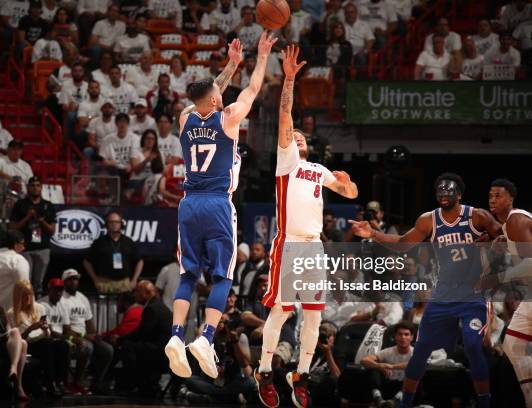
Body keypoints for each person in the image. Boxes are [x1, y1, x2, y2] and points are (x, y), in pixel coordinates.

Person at [254, 45, 358, 408]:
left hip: (315, 246)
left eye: (300, 138)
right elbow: (285, 116)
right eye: (292, 137)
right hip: (289, 244)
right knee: (281, 311)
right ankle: (264, 370)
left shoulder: (317, 170)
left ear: (308, 146)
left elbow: (350, 190)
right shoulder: (287, 163)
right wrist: (290, 79)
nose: (296, 138)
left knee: (314, 317)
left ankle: (299, 375)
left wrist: (346, 184)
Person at [164, 34, 271, 379]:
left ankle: (177, 335)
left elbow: (209, 93)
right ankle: (206, 339)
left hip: (188, 204)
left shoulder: (185, 118)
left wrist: (231, 65)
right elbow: (252, 90)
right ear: (215, 98)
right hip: (218, 205)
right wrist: (263, 57)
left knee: (187, 275)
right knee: (223, 277)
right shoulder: (229, 117)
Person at [349, 172, 503, 408]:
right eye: (440, 191)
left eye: (449, 191)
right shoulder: (428, 220)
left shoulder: (477, 216)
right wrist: (372, 233)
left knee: (472, 345)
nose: (443, 194)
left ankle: (485, 402)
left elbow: (505, 239)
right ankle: (405, 403)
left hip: (473, 294)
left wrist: (488, 248)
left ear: (459, 195)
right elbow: (402, 244)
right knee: (421, 350)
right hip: (442, 295)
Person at [483, 178, 532, 407]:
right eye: (491, 195)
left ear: (511, 199)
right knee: (512, 346)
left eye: (498, 195)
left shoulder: (516, 219)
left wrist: (499, 278)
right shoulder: (506, 228)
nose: (493, 199)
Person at [7, 280, 69, 398]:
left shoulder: (39, 308)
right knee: (46, 345)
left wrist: (46, 329)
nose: (28, 297)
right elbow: (18, 339)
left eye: (30, 293)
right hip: (27, 344)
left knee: (62, 344)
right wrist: (30, 328)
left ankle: (60, 382)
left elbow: (48, 333)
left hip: (43, 341)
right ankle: (50, 383)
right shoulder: (12, 313)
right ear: (18, 296)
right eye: (24, 294)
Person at [60, 268, 114, 395]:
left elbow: (89, 322)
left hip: (85, 335)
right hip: (70, 336)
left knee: (107, 350)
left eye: (76, 279)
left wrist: (95, 335)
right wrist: (85, 336)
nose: (74, 282)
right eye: (70, 280)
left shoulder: (82, 298)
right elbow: (65, 328)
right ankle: (76, 383)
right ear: (64, 282)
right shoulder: (62, 298)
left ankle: (96, 383)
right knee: (87, 347)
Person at [114, 281, 172, 394]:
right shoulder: (160, 306)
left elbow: (142, 332)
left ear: (146, 293)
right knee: (135, 345)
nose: (134, 295)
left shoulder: (151, 308)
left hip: (159, 352)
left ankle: (133, 384)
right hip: (165, 349)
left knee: (128, 346)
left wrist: (120, 339)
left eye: (137, 291)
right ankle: (144, 383)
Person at [9, 177, 56, 295]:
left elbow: (52, 231)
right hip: (25, 248)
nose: (35, 188)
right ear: (28, 187)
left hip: (43, 248)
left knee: (38, 283)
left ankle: (37, 310)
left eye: (37, 185)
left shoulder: (48, 205)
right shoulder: (20, 204)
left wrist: (41, 222)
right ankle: (24, 308)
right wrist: (27, 217)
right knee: (25, 282)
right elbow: (12, 228)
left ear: (41, 188)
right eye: (32, 185)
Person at [83, 211, 143, 292]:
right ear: (106, 224)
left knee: (125, 304)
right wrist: (95, 279)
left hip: (124, 283)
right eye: (111, 222)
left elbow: (140, 261)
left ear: (121, 224)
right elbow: (87, 262)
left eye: (117, 222)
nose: (114, 224)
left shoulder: (128, 242)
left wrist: (134, 280)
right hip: (105, 283)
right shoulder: (99, 242)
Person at [361, 321, 415, 407]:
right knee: (373, 368)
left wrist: (392, 366)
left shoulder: (415, 353)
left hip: (406, 388)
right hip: (388, 386)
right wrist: (379, 366)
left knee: (417, 372)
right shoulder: (388, 351)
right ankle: (378, 398)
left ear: (411, 337)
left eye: (406, 334)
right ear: (395, 337)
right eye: (400, 334)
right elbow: (364, 360)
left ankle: (397, 399)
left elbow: (415, 364)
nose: (403, 337)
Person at [0, 230, 30, 311]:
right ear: (16, 244)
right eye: (22, 244)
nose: (24, 248)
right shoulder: (18, 260)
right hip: (10, 317)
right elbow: (25, 290)